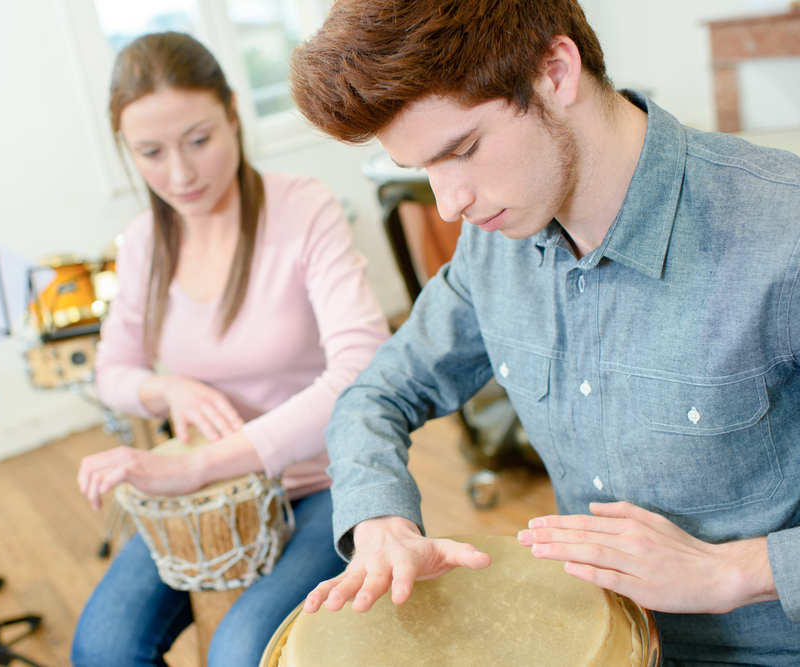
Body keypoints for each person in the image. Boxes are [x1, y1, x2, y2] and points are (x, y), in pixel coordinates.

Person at [288, 1, 800, 665]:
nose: (450, 204)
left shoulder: (781, 230)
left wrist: (740, 568)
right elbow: (375, 394)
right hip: (595, 636)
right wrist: (380, 520)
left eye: (464, 149)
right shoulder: (492, 249)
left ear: (556, 71)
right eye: (424, 171)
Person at [70, 32, 390, 667]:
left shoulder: (302, 209)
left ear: (233, 114)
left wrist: (211, 459)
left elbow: (363, 368)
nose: (181, 174)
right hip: (209, 489)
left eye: (199, 140)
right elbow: (113, 371)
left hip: (322, 481)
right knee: (100, 648)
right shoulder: (140, 244)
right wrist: (164, 388)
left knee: (241, 655)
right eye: (151, 153)